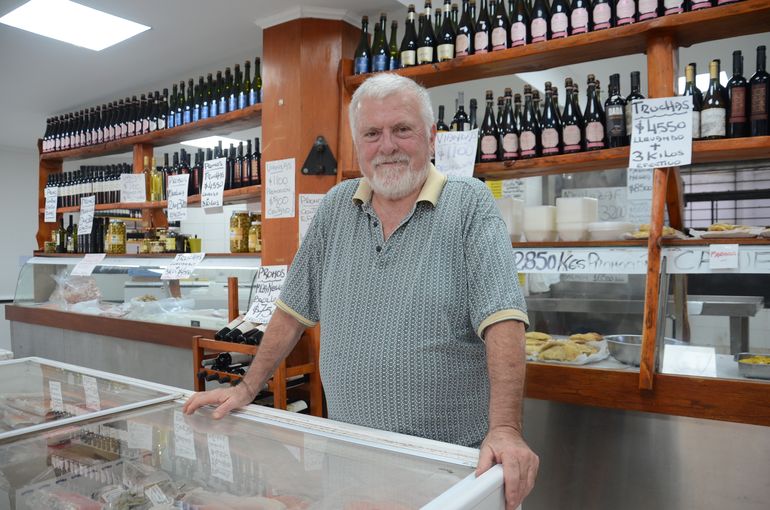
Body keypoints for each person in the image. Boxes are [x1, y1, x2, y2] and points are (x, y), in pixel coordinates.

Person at [184, 73, 538, 509]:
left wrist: (505, 428)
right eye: (372, 133)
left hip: (447, 465)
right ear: (358, 144)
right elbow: (291, 311)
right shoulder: (336, 206)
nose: (387, 145)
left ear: (431, 138)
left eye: (402, 129)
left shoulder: (469, 203)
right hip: (349, 456)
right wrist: (244, 387)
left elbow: (503, 318)